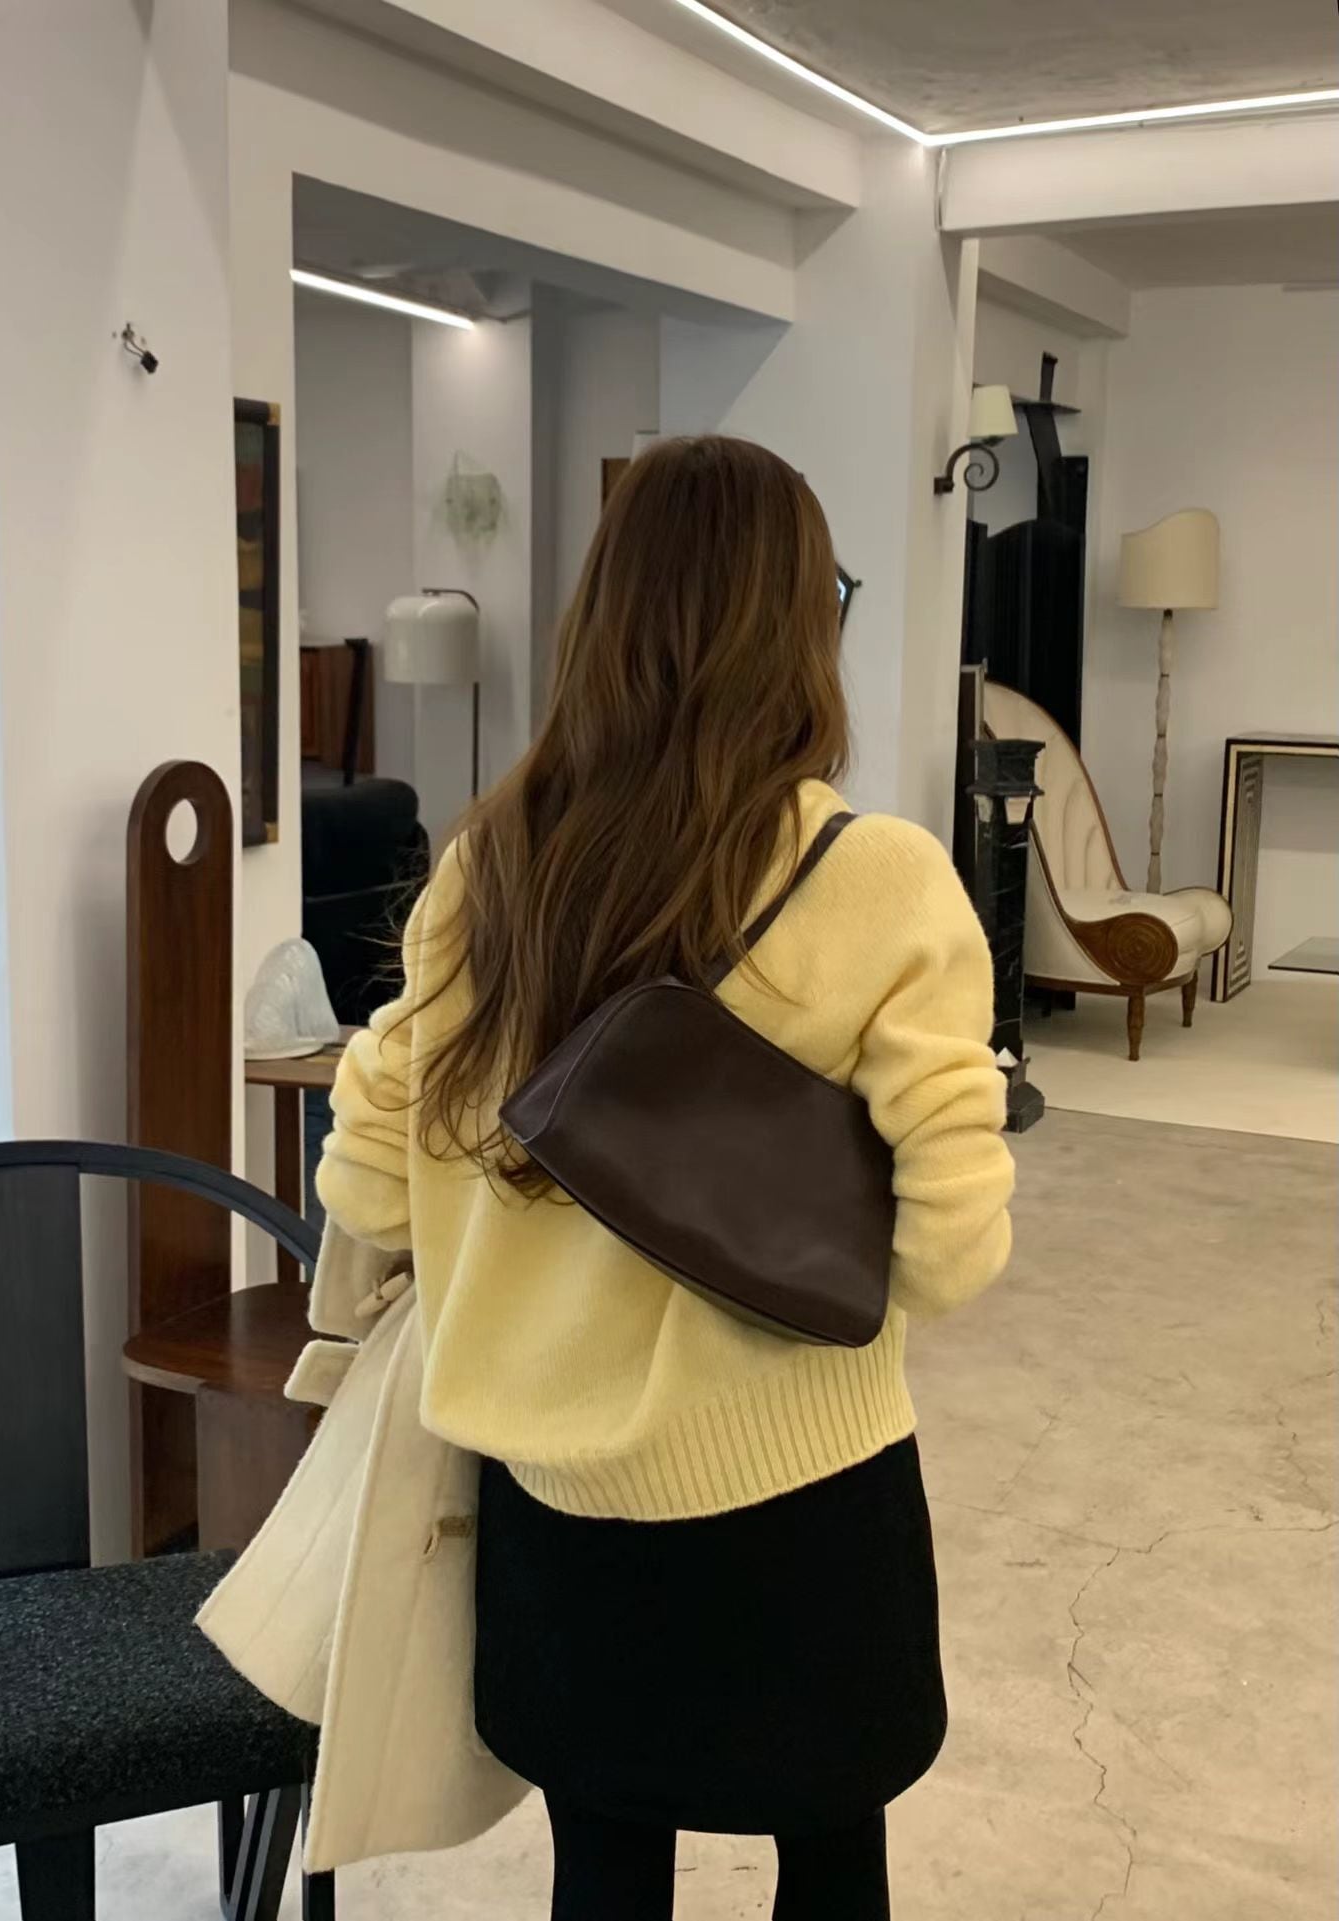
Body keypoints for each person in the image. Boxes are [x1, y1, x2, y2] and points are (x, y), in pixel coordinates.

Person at [317, 435, 1015, 1920]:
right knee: (832, 1864)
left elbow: (371, 1193)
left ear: (603, 616)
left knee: (606, 1868)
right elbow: (950, 1254)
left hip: (555, 1515)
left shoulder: (487, 870)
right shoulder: (880, 878)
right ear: (800, 624)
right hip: (801, 1502)